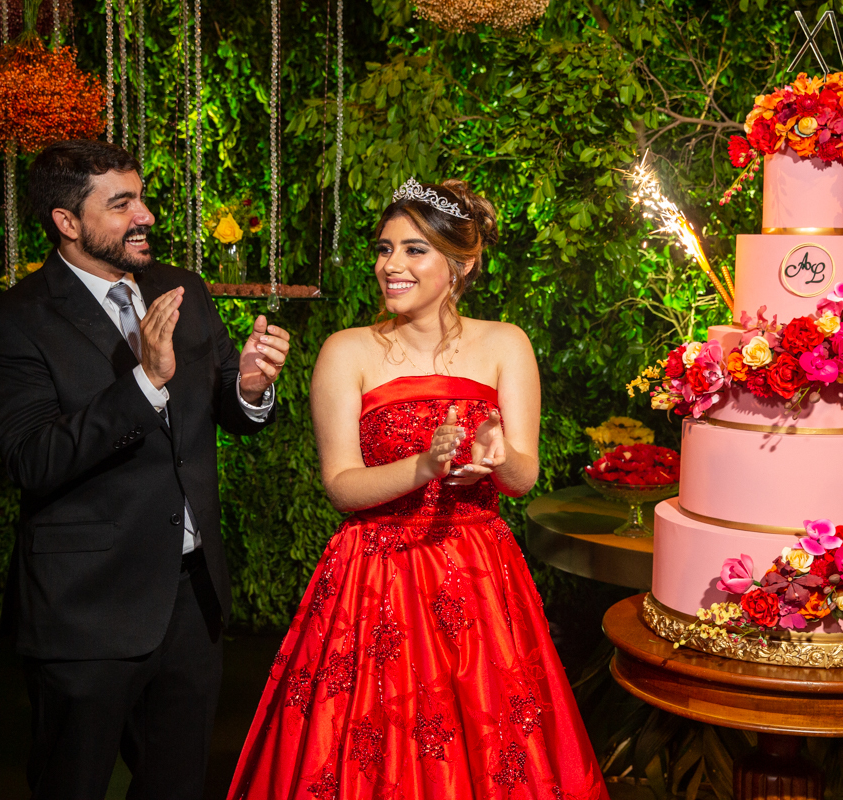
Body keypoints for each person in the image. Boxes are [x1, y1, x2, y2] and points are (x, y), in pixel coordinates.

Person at [226, 178, 608, 799]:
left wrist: (497, 455)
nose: (391, 265)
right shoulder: (346, 351)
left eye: (413, 250)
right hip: (375, 574)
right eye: (384, 249)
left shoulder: (506, 343)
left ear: (462, 264)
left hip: (478, 572)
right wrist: (425, 466)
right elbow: (342, 486)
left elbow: (523, 478)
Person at [0, 139, 291, 800]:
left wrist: (251, 387)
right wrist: (144, 381)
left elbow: (227, 411)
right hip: (87, 609)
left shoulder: (183, 289)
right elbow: (34, 459)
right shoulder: (11, 321)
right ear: (67, 221)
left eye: (140, 198)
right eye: (121, 204)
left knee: (176, 785)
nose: (144, 215)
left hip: (192, 600)